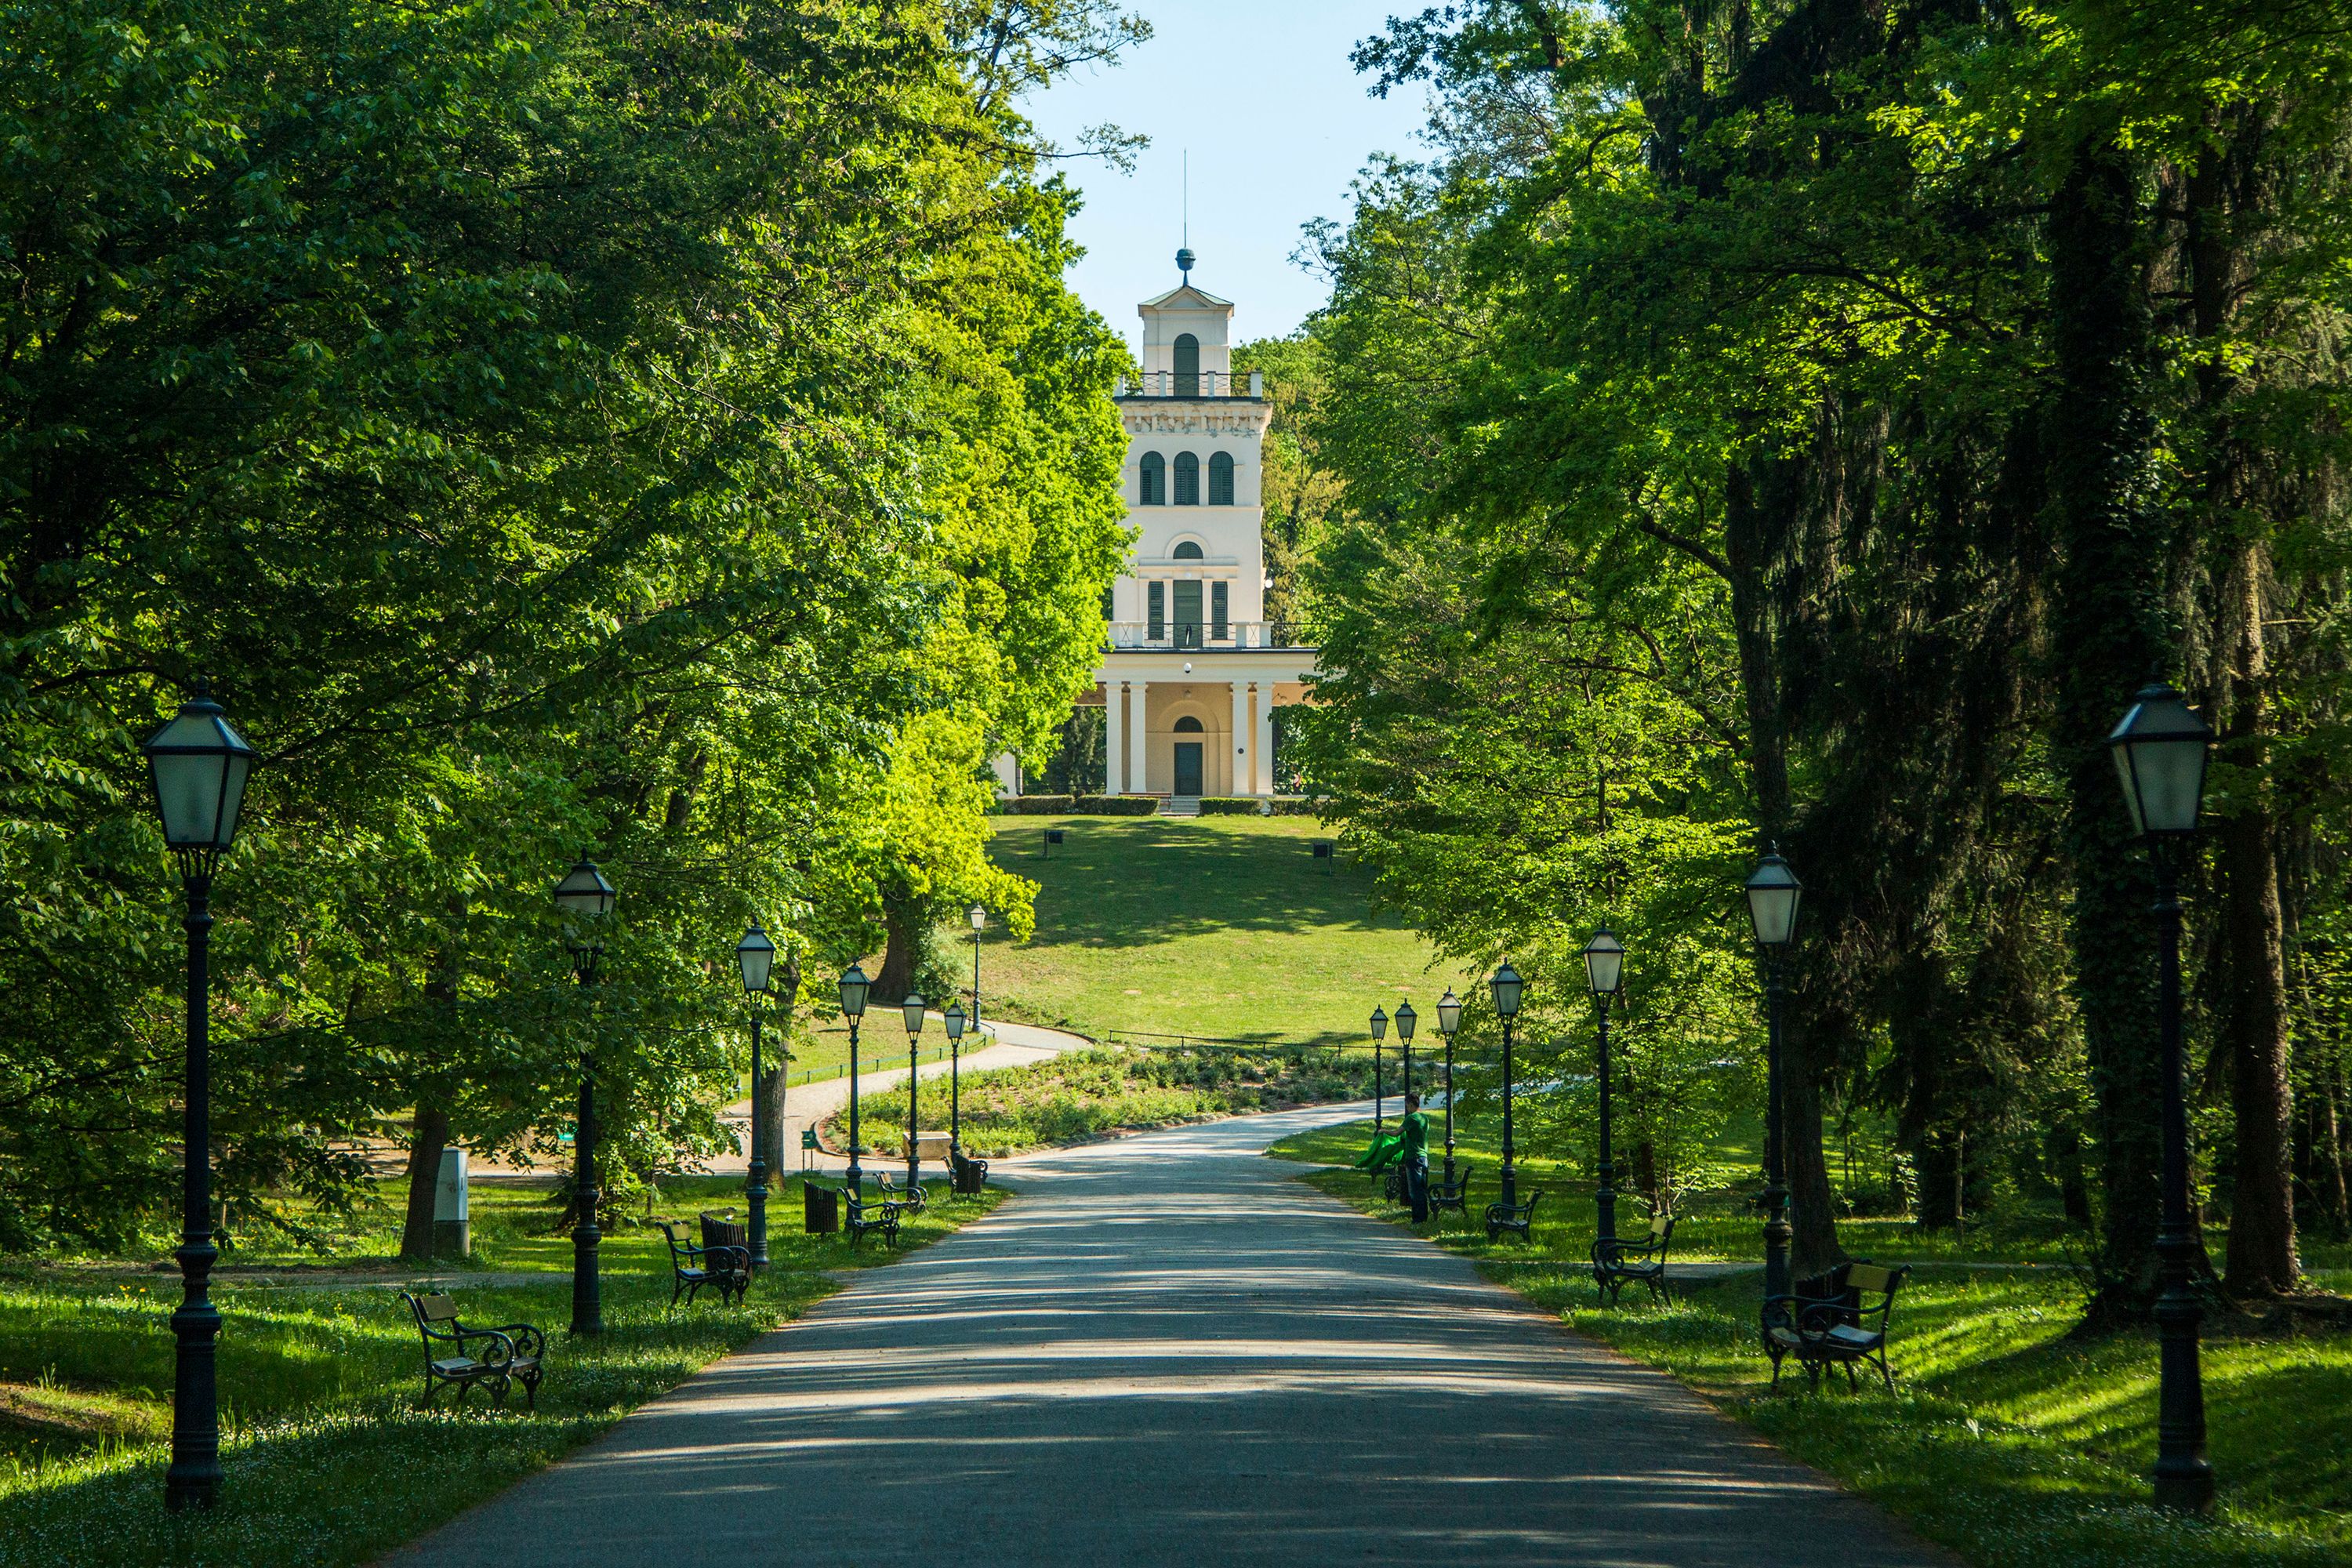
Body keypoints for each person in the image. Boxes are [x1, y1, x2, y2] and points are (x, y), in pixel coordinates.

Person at [1397, 1091, 1431, 1222]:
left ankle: (1417, 1219)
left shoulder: (1411, 1118)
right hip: (1423, 1156)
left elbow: (1397, 1133)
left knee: (1414, 1190)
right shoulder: (1424, 1118)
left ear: (1411, 1104)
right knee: (1422, 1188)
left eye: (1407, 1106)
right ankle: (1424, 1216)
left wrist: (1383, 1131)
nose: (1407, 1108)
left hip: (1413, 1157)